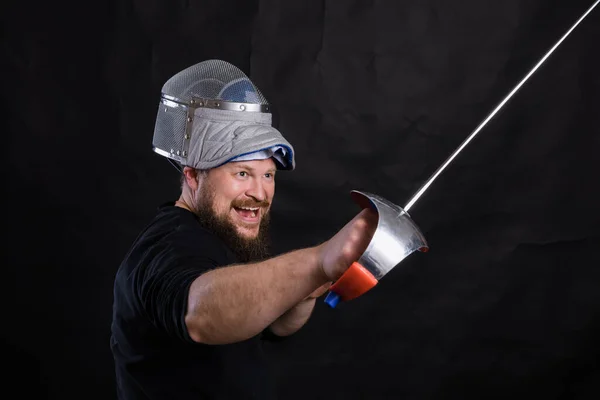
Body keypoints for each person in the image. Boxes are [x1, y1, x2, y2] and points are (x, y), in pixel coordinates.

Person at [110, 59, 378, 399]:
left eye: (268, 175)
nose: (260, 193)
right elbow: (201, 315)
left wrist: (309, 286)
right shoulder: (166, 247)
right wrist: (317, 261)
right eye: (242, 173)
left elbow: (272, 327)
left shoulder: (220, 233)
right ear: (192, 175)